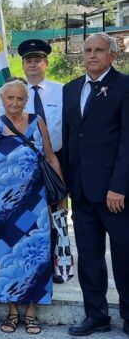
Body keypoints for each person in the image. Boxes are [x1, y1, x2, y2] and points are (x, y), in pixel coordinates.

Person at [0, 79, 63, 335]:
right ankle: (13, 311)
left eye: (20, 99)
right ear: (2, 99)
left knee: (34, 255)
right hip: (1, 207)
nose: (14, 104)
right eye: (10, 99)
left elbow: (51, 157)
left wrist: (61, 194)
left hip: (34, 206)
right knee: (5, 256)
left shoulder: (38, 122)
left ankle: (32, 312)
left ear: (26, 100)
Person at [63, 33, 129, 337]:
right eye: (87, 50)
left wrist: (119, 185)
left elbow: (127, 142)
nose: (91, 55)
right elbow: (69, 140)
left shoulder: (124, 86)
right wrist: (66, 185)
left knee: (124, 256)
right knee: (89, 257)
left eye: (98, 50)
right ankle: (96, 315)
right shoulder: (71, 88)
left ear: (112, 55)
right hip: (82, 191)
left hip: (115, 193)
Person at [17, 39, 65, 284]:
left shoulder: (62, 91)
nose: (33, 65)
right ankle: (33, 262)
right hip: (26, 165)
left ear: (46, 63)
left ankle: (58, 262)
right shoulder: (15, 93)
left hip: (56, 159)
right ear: (23, 64)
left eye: (37, 60)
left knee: (57, 212)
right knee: (28, 215)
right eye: (28, 61)